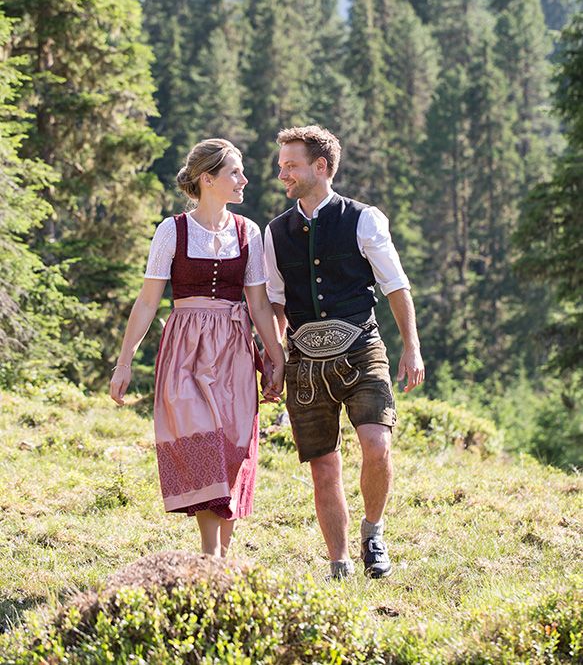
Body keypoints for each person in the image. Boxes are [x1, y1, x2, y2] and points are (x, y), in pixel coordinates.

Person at [263, 125, 425, 580]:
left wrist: (410, 346)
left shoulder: (364, 218)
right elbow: (275, 302)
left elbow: (396, 285)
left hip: (361, 347)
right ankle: (339, 562)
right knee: (323, 466)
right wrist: (276, 359)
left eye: (290, 166)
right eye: (281, 167)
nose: (282, 175)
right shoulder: (275, 232)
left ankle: (373, 531)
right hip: (304, 363)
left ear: (321, 167)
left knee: (377, 444)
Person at [110, 138, 285, 557]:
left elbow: (258, 302)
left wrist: (276, 357)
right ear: (208, 179)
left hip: (235, 349)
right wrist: (125, 361)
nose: (244, 179)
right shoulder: (173, 230)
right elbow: (148, 299)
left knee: (233, 445)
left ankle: (223, 557)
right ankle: (211, 557)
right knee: (201, 439)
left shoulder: (249, 232)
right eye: (234, 173)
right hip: (186, 348)